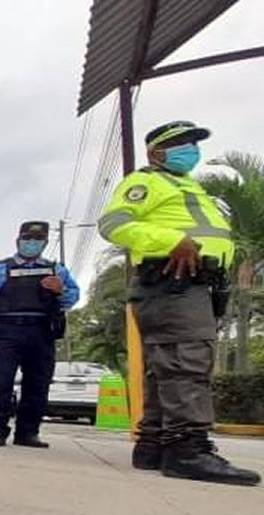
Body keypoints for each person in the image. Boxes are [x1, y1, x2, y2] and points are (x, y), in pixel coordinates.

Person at [98, 120, 259, 485]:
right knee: (187, 362)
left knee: (166, 367)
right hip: (172, 283)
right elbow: (113, 224)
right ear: (156, 152)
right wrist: (169, 240)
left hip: (193, 284)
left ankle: (154, 444)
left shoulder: (188, 186)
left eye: (194, 142)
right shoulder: (146, 182)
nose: (191, 149)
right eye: (181, 143)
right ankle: (188, 450)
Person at [0, 221, 80, 448]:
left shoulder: (57, 270)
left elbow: (72, 298)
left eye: (37, 239)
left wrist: (60, 290)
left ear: (45, 243)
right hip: (7, 331)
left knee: (38, 384)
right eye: (27, 238)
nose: (31, 243)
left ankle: (28, 433)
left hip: (42, 332)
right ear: (18, 241)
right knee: (2, 382)